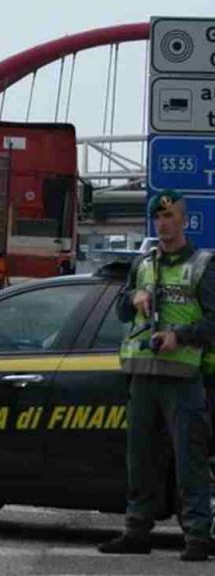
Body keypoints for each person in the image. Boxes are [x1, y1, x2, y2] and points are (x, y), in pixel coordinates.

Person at [98, 190, 215, 561]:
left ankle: (197, 536)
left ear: (183, 219)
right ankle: (137, 531)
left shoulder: (203, 265)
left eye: (169, 216)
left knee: (189, 460)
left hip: (182, 377)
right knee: (141, 458)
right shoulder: (143, 263)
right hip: (142, 375)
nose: (162, 223)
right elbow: (119, 309)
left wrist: (178, 336)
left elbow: (213, 321)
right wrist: (132, 298)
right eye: (157, 217)